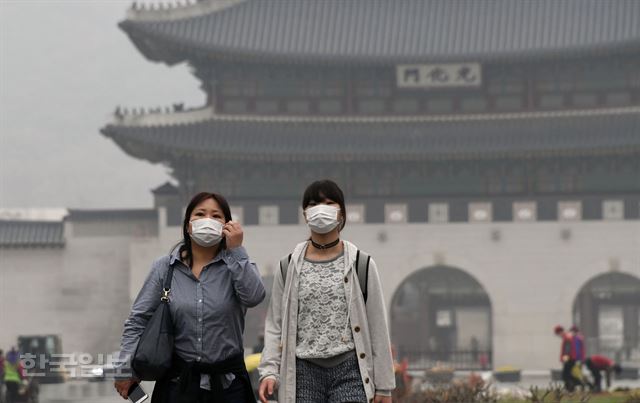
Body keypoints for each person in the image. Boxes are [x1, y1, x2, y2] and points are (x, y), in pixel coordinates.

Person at [114, 192, 266, 403]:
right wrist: (124, 368)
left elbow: (254, 296)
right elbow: (138, 319)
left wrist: (237, 250)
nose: (207, 220)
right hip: (178, 385)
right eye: (200, 214)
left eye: (216, 216)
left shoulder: (236, 265)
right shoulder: (165, 268)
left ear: (227, 225)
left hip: (228, 386)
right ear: (188, 225)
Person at [258, 179, 395, 403]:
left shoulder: (361, 264)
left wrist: (384, 387)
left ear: (342, 213)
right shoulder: (288, 266)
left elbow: (378, 326)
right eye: (313, 204)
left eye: (329, 202)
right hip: (303, 372)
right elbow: (275, 326)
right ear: (305, 213)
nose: (321, 209)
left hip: (350, 370)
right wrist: (269, 371)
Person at [554, 325, 581, 392]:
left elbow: (567, 350)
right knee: (567, 374)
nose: (558, 335)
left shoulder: (567, 337)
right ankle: (571, 387)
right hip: (571, 358)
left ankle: (574, 385)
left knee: (565, 375)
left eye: (558, 333)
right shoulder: (567, 336)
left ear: (560, 331)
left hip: (569, 359)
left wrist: (565, 360)